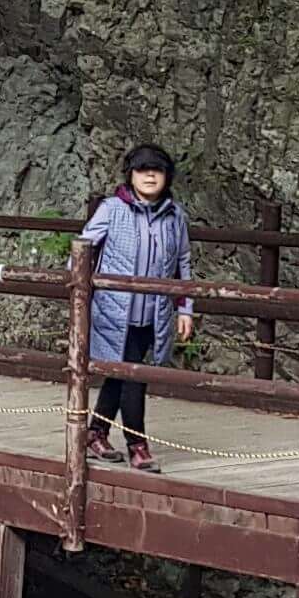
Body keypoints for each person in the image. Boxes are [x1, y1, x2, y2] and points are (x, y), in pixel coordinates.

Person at [78, 142, 194, 469]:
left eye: (157, 171)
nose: (150, 176)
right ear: (130, 174)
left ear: (167, 177)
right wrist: (79, 292)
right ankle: (137, 446)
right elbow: (83, 248)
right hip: (114, 310)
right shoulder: (112, 209)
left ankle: (95, 434)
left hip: (154, 314)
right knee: (133, 375)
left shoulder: (175, 215)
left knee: (120, 374)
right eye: (143, 170)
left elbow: (182, 263)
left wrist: (185, 309)